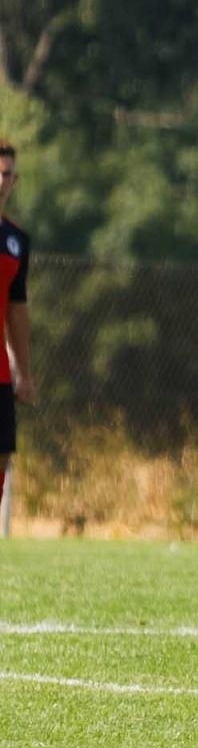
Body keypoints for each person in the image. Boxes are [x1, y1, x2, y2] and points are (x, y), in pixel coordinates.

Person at [0, 140, 33, 501]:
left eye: (6, 174)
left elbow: (17, 309)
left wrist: (24, 371)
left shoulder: (16, 241)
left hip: (0, 370)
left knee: (2, 454)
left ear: (14, 180)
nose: (0, 180)